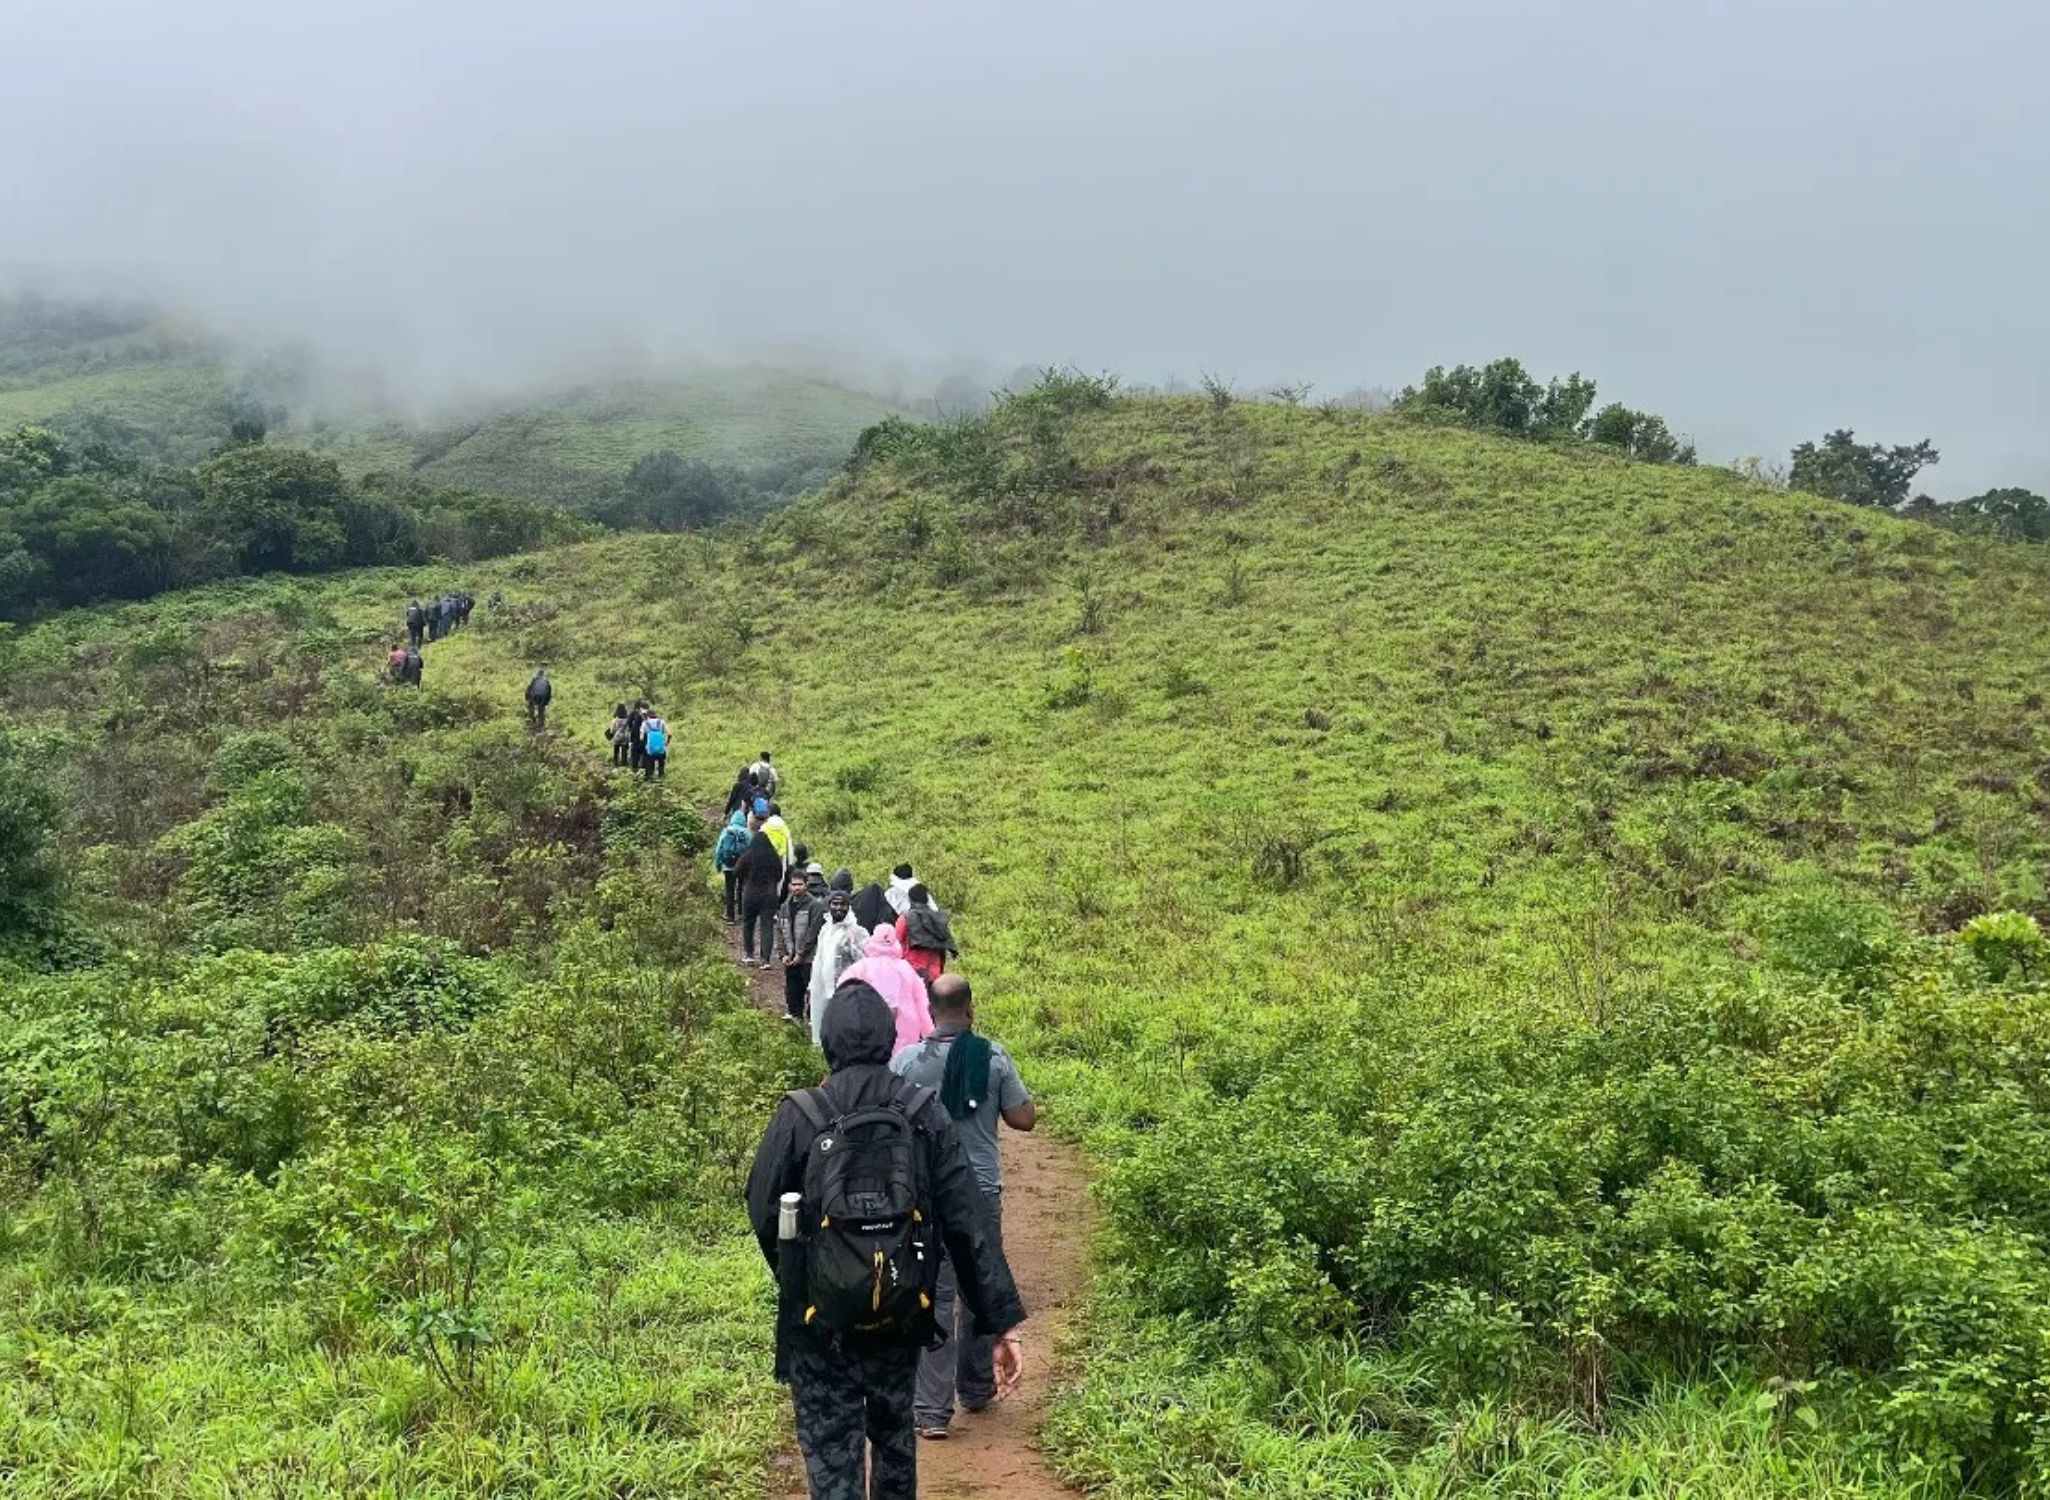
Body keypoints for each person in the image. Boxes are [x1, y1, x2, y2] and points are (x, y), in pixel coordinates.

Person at [746, 984, 1025, 1500]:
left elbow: (763, 1209)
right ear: (892, 1037)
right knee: (896, 1444)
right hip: (899, 1316)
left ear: (826, 1042)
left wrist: (809, 1280)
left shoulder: (800, 1114)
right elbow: (968, 1220)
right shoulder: (923, 1113)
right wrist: (998, 1322)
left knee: (832, 1455)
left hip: (819, 1328)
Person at [890, 974, 1036, 1441]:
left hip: (927, 1196)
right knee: (979, 1286)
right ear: (970, 1011)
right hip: (981, 1192)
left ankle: (931, 1411)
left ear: (931, 1012)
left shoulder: (907, 1060)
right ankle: (975, 1388)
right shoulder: (991, 1055)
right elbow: (1024, 1119)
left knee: (934, 1292)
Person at [839, 926, 934, 1054]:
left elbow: (843, 992)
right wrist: (930, 1036)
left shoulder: (861, 968)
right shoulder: (906, 968)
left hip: (870, 1032)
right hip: (907, 1032)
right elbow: (922, 1004)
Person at [808, 887, 869, 1045]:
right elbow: (819, 957)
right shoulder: (826, 929)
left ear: (849, 907)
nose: (839, 908)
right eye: (835, 904)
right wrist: (812, 984)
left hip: (844, 988)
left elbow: (863, 961)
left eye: (843, 904)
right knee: (823, 1021)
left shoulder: (856, 932)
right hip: (821, 985)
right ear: (829, 906)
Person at [774, 868, 828, 1023]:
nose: (796, 888)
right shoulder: (785, 906)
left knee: (811, 987)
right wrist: (783, 953)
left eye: (800, 884)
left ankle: (813, 1017)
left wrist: (801, 954)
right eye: (793, 884)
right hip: (791, 955)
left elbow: (813, 932)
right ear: (789, 886)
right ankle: (794, 1013)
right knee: (792, 986)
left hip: (809, 957)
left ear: (806, 885)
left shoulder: (814, 906)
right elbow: (780, 930)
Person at [736, 817, 785, 966]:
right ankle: (765, 959)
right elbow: (779, 873)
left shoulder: (749, 854)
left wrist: (745, 880)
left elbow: (736, 870)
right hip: (769, 895)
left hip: (750, 893)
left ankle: (749, 955)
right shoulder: (773, 855)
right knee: (767, 925)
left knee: (748, 923)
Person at [895, 884, 958, 986]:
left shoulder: (906, 917)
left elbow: (896, 941)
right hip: (935, 972)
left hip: (912, 970)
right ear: (927, 899)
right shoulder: (939, 917)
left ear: (910, 899)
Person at [714, 808, 751, 923]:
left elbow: (719, 849)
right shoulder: (747, 833)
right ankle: (741, 913)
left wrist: (718, 864)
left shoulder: (726, 831)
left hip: (728, 866)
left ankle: (730, 916)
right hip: (742, 866)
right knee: (741, 888)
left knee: (729, 889)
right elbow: (751, 850)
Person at [762, 803, 793, 870]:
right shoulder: (785, 828)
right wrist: (790, 864)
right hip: (781, 861)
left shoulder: (764, 827)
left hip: (767, 863)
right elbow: (790, 849)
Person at [642, 710, 668, 780]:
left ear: (648, 716)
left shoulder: (645, 723)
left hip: (650, 748)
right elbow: (668, 734)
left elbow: (641, 737)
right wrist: (666, 743)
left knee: (650, 762)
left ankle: (651, 777)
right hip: (661, 747)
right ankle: (661, 777)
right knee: (661, 763)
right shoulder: (661, 722)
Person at [625, 701, 648, 773]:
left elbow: (633, 728)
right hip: (646, 738)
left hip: (637, 738)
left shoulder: (637, 716)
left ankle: (635, 771)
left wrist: (631, 740)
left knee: (635, 755)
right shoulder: (649, 715)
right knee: (645, 755)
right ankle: (645, 771)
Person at [607, 703, 631, 768]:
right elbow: (629, 728)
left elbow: (612, 730)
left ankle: (616, 763)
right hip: (625, 737)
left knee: (616, 749)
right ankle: (624, 763)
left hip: (617, 737)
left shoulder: (615, 720)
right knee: (624, 751)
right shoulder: (627, 719)